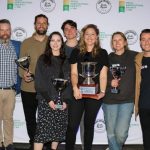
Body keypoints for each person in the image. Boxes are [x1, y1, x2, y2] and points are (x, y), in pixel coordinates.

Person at [65, 24, 108, 150]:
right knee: (72, 125)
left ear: (97, 36)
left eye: (92, 34)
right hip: (77, 92)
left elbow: (103, 75)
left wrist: (103, 91)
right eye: (87, 34)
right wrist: (74, 88)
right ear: (83, 36)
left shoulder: (103, 53)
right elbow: (73, 73)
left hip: (95, 95)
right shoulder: (76, 52)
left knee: (89, 125)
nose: (90, 36)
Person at [34, 31, 70, 150]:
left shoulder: (66, 60)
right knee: (41, 134)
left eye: (58, 40)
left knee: (57, 132)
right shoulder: (43, 59)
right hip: (46, 101)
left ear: (62, 43)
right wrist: (49, 100)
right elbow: (39, 82)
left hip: (62, 102)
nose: (55, 43)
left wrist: (66, 101)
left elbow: (69, 82)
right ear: (49, 43)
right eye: (52, 40)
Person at [102, 32, 137, 150]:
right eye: (114, 40)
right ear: (112, 43)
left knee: (121, 134)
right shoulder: (107, 58)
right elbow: (99, 77)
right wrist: (109, 82)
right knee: (111, 132)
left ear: (125, 42)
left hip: (127, 100)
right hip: (109, 100)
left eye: (120, 40)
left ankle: (112, 148)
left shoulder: (135, 56)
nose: (117, 42)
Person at [19, 14, 49, 150]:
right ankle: (34, 143)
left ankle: (46, 144)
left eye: (44, 23)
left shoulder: (52, 42)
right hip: (28, 88)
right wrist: (23, 75)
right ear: (34, 25)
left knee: (46, 119)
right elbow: (20, 63)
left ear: (47, 25)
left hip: (46, 90)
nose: (41, 25)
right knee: (30, 119)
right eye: (39, 23)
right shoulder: (26, 42)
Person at [61, 20, 84, 149]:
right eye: (66, 29)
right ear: (63, 33)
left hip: (81, 90)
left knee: (83, 123)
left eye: (72, 28)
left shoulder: (85, 47)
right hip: (63, 91)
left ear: (76, 30)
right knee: (68, 125)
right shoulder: (58, 47)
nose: (69, 31)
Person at [0, 19, 21, 150]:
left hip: (11, 90)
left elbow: (23, 66)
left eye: (7, 29)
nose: (5, 32)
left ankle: (8, 143)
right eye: (2, 30)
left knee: (9, 118)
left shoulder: (17, 45)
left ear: (11, 30)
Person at [135, 29, 150, 150]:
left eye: (149, 39)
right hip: (144, 104)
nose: (146, 42)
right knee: (147, 136)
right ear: (140, 42)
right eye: (143, 39)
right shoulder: (137, 59)